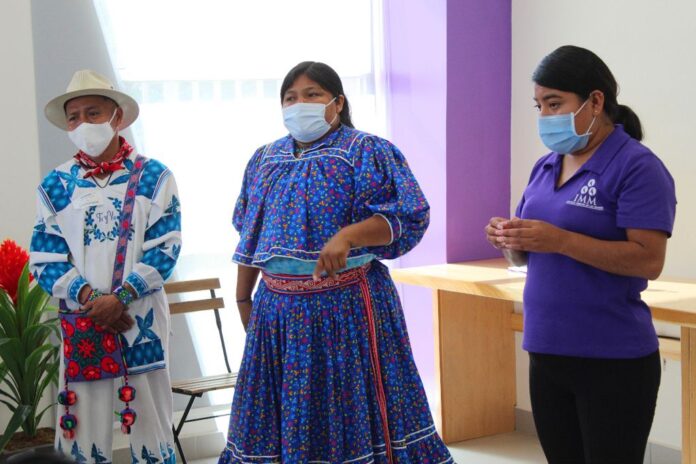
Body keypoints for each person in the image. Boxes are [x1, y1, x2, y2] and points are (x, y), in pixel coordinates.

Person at [218, 62, 453, 464]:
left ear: (338, 102)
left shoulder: (367, 151)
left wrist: (348, 236)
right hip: (277, 315)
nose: (300, 104)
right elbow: (251, 236)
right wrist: (243, 299)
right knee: (282, 414)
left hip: (347, 309)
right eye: (290, 97)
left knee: (345, 410)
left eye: (312, 94)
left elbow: (408, 215)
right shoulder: (264, 160)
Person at [485, 45, 677, 463]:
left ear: (595, 101)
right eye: (539, 105)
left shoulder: (637, 167)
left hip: (612, 358)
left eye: (555, 103)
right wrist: (510, 242)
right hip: (547, 350)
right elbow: (528, 257)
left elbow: (648, 260)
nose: (545, 115)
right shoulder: (546, 166)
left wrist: (561, 240)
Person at [30, 70, 181, 463]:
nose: (83, 123)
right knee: (80, 423)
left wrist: (121, 298)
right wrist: (92, 299)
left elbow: (165, 248)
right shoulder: (55, 185)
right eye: (74, 117)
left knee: (151, 420)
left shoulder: (155, 177)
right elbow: (45, 257)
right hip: (84, 320)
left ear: (118, 117)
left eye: (93, 113)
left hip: (140, 319)